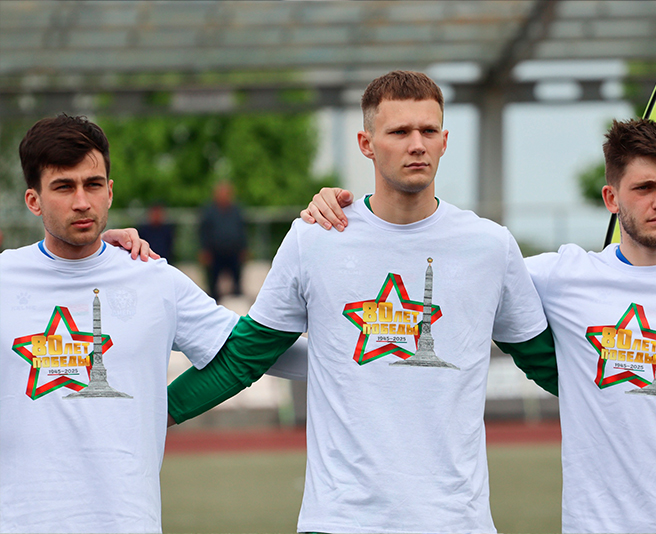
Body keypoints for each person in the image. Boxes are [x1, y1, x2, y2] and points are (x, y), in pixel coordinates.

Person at [304, 118, 656, 533]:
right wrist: (350, 215)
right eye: (644, 188)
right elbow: (441, 270)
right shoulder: (558, 277)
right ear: (611, 198)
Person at [167, 71, 554, 534]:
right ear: (366, 143)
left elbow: (548, 364)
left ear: (445, 141)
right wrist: (151, 412)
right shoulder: (315, 238)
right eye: (399, 132)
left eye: (428, 130)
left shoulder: (491, 246)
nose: (417, 144)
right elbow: (243, 358)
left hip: (457, 523)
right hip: (340, 522)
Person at [0, 114, 242, 534]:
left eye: (93, 185)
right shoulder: (5, 278)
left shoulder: (153, 276)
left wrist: (169, 406)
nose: (82, 201)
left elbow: (250, 348)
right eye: (64, 187)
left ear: (110, 192)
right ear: (33, 200)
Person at [199, 181, 248, 301]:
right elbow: (203, 232)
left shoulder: (236, 210)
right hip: (215, 252)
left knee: (237, 282)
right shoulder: (209, 211)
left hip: (234, 251)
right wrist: (204, 250)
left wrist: (244, 248)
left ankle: (237, 304)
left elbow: (242, 230)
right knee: (213, 284)